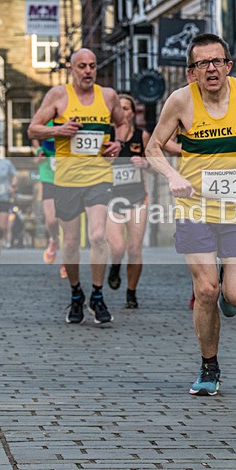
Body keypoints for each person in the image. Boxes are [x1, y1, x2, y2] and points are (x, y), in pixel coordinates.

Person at [146, 33, 236, 396]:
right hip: (195, 208)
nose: (211, 69)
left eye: (217, 61)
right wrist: (172, 176)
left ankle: (227, 297)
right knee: (206, 290)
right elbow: (153, 147)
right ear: (192, 73)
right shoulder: (180, 102)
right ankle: (209, 366)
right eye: (202, 63)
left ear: (229, 65)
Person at [28, 48, 126, 325]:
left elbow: (122, 123)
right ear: (72, 69)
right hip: (67, 180)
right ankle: (75, 294)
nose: (88, 71)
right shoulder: (58, 96)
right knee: (70, 242)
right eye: (82, 66)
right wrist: (58, 130)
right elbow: (33, 129)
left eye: (92, 66)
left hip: (99, 176)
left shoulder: (108, 96)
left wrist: (118, 143)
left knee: (97, 236)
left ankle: (97, 294)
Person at [106, 94, 150, 309]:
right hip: (111, 198)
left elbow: (155, 163)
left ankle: (131, 292)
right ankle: (115, 266)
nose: (123, 111)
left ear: (133, 112)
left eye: (127, 108)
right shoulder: (107, 136)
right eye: (119, 107)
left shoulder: (142, 136)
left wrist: (145, 163)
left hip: (137, 197)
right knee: (118, 247)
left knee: (134, 249)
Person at [31, 124, 66, 278]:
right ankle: (53, 239)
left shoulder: (73, 113)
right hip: (49, 177)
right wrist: (38, 151)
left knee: (68, 224)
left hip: (70, 177)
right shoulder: (45, 119)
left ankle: (67, 261)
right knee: (51, 220)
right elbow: (33, 135)